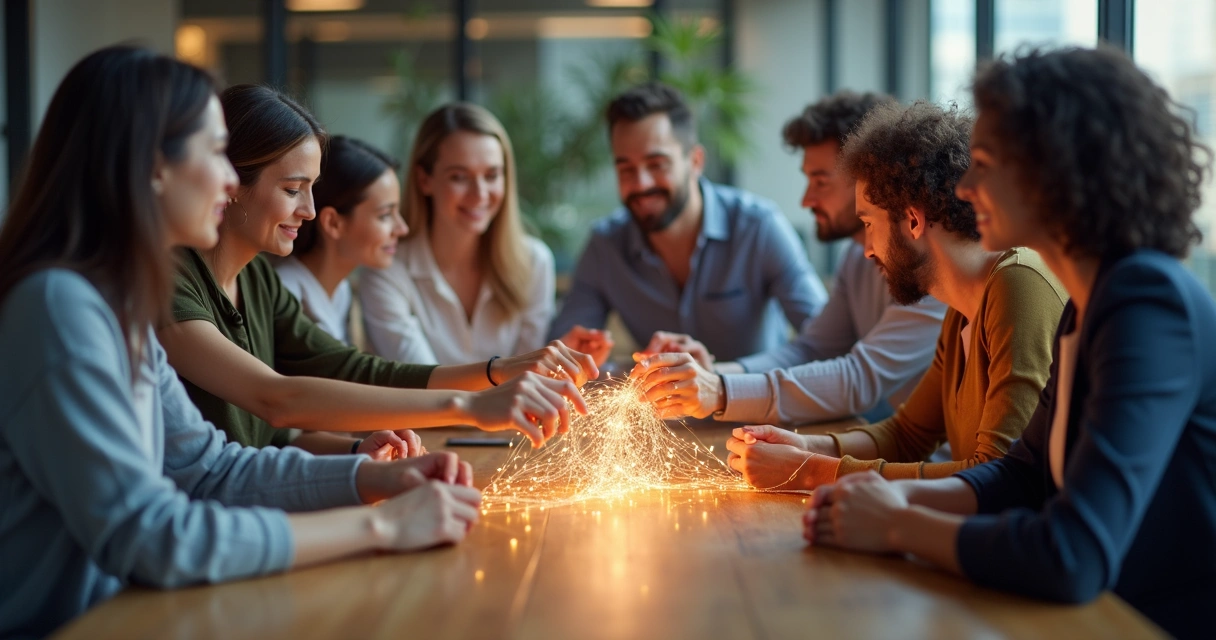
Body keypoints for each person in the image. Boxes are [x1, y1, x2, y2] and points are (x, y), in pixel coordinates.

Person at [0, 46, 481, 639]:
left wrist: (374, 478)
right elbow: (152, 536)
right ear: (151, 165)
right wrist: (381, 528)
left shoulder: (116, 302)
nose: (231, 180)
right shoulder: (60, 308)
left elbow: (209, 469)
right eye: (214, 152)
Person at [804, 47, 1216, 640]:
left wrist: (898, 525)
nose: (965, 188)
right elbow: (1019, 476)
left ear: (1055, 172)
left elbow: (1073, 554)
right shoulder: (1087, 301)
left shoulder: (1148, 302)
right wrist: (874, 495)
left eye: (985, 164)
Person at [157, 85, 597, 455]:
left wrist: (497, 370)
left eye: (311, 189)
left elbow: (352, 369)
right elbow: (278, 400)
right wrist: (469, 406)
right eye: (293, 189)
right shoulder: (169, 281)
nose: (309, 210)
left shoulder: (257, 279)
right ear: (232, 183)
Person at [717, 101, 1065, 490]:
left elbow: (997, 475)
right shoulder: (963, 307)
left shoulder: (1018, 284)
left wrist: (811, 470)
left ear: (913, 221)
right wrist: (804, 446)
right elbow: (908, 435)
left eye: (868, 222)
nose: (866, 248)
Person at [628, 92, 946, 425]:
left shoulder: (927, 264)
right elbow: (812, 349)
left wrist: (720, 390)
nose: (806, 200)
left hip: (932, 464)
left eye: (820, 181)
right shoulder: (856, 256)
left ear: (869, 180)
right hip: (890, 447)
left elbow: (861, 379)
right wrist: (713, 373)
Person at [548, 82, 829, 364]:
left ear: (695, 161)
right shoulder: (605, 246)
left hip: (757, 406)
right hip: (662, 406)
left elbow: (826, 343)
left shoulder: (759, 227)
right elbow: (564, 357)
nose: (641, 183)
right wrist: (627, 372)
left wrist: (723, 379)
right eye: (626, 169)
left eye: (657, 164)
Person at [359, 104, 566, 365]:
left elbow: (532, 376)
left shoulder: (535, 262)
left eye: (492, 175)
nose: (479, 194)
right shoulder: (387, 268)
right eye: (459, 177)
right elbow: (421, 382)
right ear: (425, 180)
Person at [276, 135, 407, 347]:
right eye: (385, 215)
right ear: (333, 223)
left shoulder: (341, 292)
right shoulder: (286, 297)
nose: (402, 228)